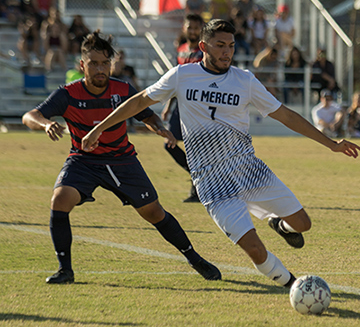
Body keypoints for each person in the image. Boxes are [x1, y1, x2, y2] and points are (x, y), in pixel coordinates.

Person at [82, 20, 360, 289]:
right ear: (203, 46)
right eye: (219, 45)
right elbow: (140, 101)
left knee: (303, 224)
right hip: (212, 181)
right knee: (254, 248)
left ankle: (280, 225)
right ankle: (293, 285)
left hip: (249, 169)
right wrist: (99, 128)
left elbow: (285, 115)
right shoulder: (182, 75)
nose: (227, 51)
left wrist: (330, 143)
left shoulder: (245, 80)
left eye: (231, 45)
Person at [22, 30, 221, 284]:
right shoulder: (68, 94)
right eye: (94, 63)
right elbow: (30, 116)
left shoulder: (122, 89)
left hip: (123, 161)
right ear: (83, 65)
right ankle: (65, 270)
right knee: (60, 199)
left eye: (105, 63)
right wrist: (45, 124)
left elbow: (147, 115)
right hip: (84, 161)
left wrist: (160, 129)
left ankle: (194, 258)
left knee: (154, 212)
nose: (100, 69)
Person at [161, 13, 204, 203]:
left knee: (195, 147)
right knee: (169, 143)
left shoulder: (204, 52)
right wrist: (169, 105)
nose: (192, 31)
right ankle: (196, 174)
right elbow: (175, 80)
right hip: (180, 106)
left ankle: (197, 190)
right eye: (190, 27)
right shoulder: (181, 50)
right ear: (184, 28)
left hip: (198, 108)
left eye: (196, 27)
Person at [40, 7, 68, 72]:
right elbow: (45, 47)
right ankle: (49, 69)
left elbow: (64, 48)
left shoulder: (62, 35)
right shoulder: (47, 34)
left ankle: (64, 70)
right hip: (50, 52)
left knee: (60, 52)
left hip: (60, 53)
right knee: (51, 52)